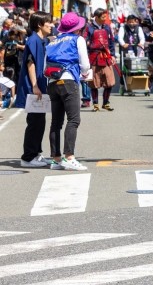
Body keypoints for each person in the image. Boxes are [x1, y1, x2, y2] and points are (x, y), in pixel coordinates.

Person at [44, 12, 93, 171]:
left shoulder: (52, 41)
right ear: (77, 28)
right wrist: (85, 73)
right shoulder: (77, 39)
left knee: (56, 122)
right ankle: (69, 156)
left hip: (52, 82)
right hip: (69, 80)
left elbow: (45, 64)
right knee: (74, 119)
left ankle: (56, 159)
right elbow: (85, 64)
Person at [15, 12, 52, 168]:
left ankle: (36, 154)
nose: (51, 25)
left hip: (39, 86)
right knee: (34, 122)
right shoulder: (33, 40)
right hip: (34, 87)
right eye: (48, 22)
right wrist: (35, 86)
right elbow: (31, 63)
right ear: (39, 24)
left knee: (39, 122)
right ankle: (28, 157)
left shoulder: (40, 40)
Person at [86, 9, 117, 111]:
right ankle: (95, 104)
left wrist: (113, 55)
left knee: (109, 81)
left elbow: (111, 41)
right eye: (103, 17)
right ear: (97, 17)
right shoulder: (89, 28)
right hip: (94, 57)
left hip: (106, 57)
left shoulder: (107, 27)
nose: (105, 19)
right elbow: (85, 42)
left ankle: (106, 102)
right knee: (94, 82)